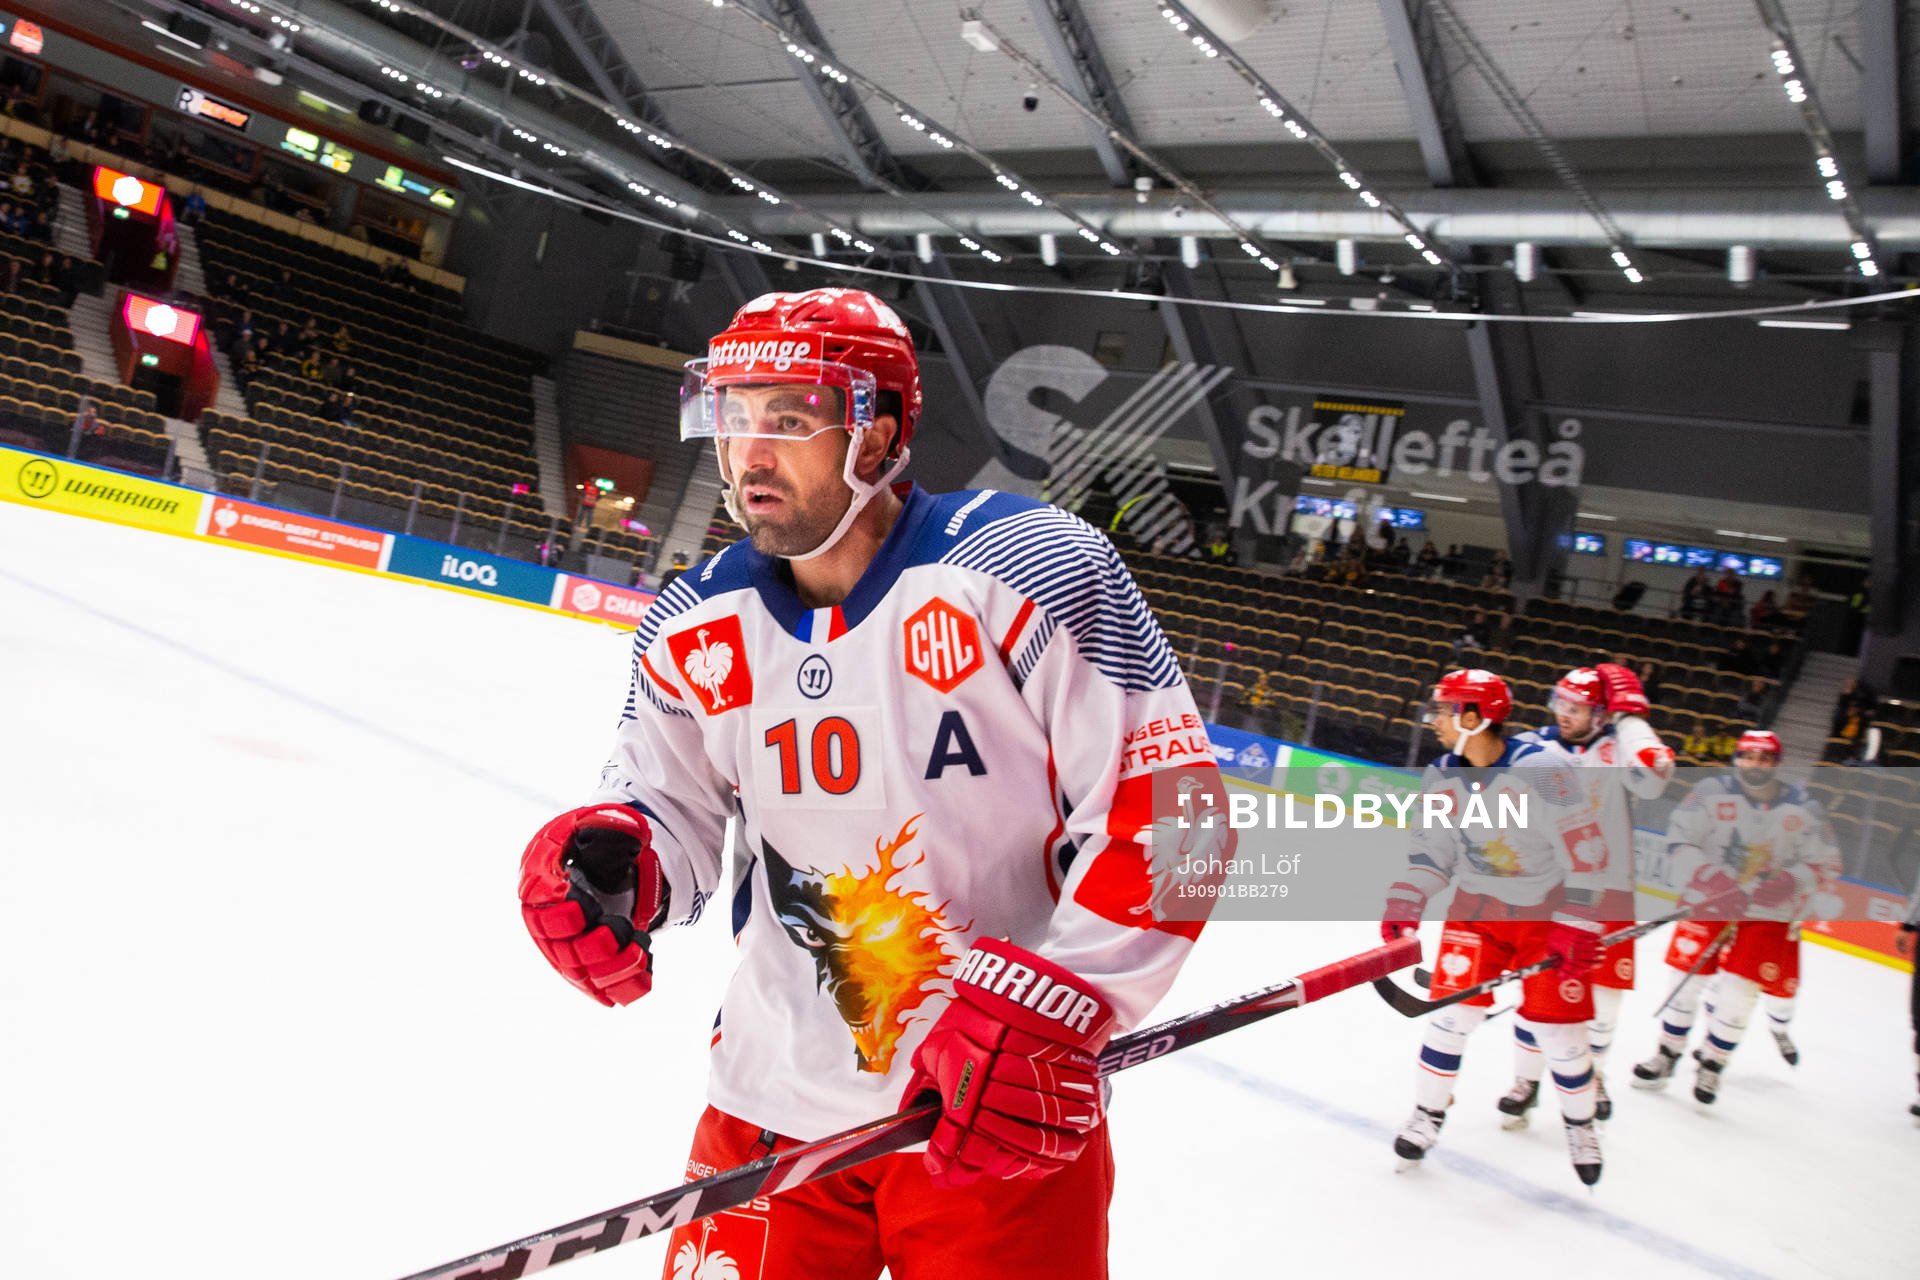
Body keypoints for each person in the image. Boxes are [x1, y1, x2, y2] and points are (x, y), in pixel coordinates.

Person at [513, 287, 1229, 1279]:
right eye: (731, 414)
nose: (747, 453)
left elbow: (1177, 820)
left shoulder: (1031, 568)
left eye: (791, 419)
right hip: (767, 1110)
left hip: (995, 1112)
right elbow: (667, 814)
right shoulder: (690, 618)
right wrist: (609, 860)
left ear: (878, 431)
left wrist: (1061, 1001)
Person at [1381, 668, 1608, 1186]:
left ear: (1475, 718)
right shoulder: (1442, 772)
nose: (1434, 719)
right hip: (1477, 910)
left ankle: (1581, 1124)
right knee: (1450, 1018)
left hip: (1543, 916)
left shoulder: (1543, 770)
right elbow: (1434, 851)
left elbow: (1588, 851)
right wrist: (1408, 896)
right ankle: (1426, 1115)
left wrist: (1577, 921)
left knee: (1560, 1034)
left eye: (1444, 709)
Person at [1499, 666, 1673, 1123]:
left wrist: (1633, 718)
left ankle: (1593, 1078)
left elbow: (1656, 776)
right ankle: (1526, 1081)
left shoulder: (1618, 749)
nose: (1564, 714)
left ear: (1601, 713)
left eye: (1576, 708)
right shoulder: (1535, 744)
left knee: (1605, 999)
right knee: (1536, 993)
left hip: (1610, 890)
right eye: (1561, 703)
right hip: (1547, 887)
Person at [1630, 730, 1840, 1103]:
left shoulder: (1804, 807)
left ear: (1776, 763)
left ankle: (1712, 1064)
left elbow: (1827, 861)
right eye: (1748, 756)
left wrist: (1791, 880)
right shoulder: (1710, 793)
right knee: (1684, 982)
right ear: (1737, 758)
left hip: (1768, 912)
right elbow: (1679, 839)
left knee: (1738, 994)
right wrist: (1709, 875)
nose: (1754, 764)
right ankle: (1667, 1053)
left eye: (1764, 758)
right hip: (1711, 900)